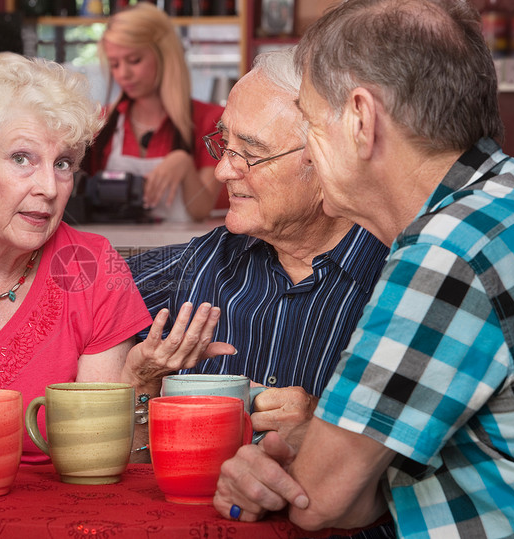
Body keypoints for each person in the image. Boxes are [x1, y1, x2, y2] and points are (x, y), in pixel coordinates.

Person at [213, 1, 514, 537]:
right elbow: (356, 494)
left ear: (361, 120)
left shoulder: (446, 251)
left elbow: (319, 501)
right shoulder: (508, 193)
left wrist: (293, 463)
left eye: (308, 116)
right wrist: (316, 448)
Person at [0, 52, 233, 463]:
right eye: (22, 159)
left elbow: (97, 457)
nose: (50, 188)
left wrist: (139, 382)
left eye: (64, 163)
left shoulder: (92, 266)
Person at [128, 48, 394, 539]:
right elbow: (73, 292)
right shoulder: (203, 264)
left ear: (327, 157)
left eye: (248, 153)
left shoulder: (404, 280)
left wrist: (328, 434)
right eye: (222, 145)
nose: (224, 171)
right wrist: (140, 383)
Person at [80, 2, 224, 222]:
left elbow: (201, 210)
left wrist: (184, 164)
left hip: (183, 253)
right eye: (115, 64)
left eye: (134, 60)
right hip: (113, 251)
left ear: (165, 55)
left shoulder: (210, 120)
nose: (123, 74)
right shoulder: (100, 122)